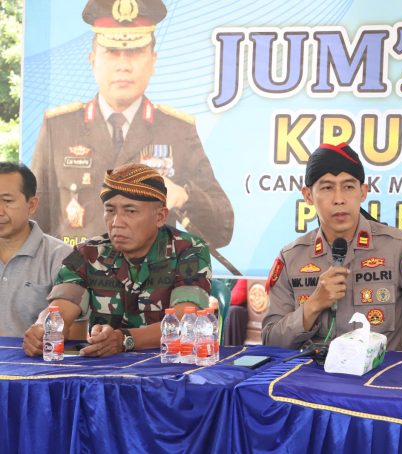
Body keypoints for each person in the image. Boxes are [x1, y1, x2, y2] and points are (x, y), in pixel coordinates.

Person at [30, 0, 233, 255]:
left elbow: (222, 229)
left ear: (153, 60)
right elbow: (34, 223)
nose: (123, 65)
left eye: (135, 52)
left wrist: (184, 196)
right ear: (92, 60)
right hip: (78, 275)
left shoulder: (178, 131)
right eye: (112, 52)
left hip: (150, 277)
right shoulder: (59, 128)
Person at [262, 143, 402, 351]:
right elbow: (271, 341)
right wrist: (313, 305)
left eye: (348, 187)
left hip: (382, 371)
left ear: (363, 192)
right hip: (313, 371)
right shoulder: (291, 258)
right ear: (308, 195)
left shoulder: (399, 247)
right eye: (327, 188)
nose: (339, 199)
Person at [22, 163, 212, 357]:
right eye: (110, 211)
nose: (117, 222)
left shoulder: (188, 249)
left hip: (169, 364)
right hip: (104, 366)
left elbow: (185, 320)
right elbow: (61, 308)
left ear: (160, 217)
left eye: (130, 211)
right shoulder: (88, 253)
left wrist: (125, 339)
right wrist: (42, 328)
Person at [0, 163, 72, 337]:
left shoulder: (61, 257)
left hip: (33, 355)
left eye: (7, 201)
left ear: (31, 205)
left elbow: (75, 333)